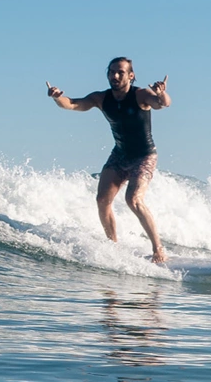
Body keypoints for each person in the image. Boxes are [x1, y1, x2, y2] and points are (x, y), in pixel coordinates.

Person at [47, 58, 172, 262]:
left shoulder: (140, 94)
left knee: (133, 199)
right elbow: (73, 104)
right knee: (102, 200)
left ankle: (158, 249)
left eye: (120, 72)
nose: (115, 76)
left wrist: (161, 94)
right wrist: (57, 97)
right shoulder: (101, 98)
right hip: (120, 154)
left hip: (144, 156)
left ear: (131, 75)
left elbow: (162, 104)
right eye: (111, 72)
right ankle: (113, 247)